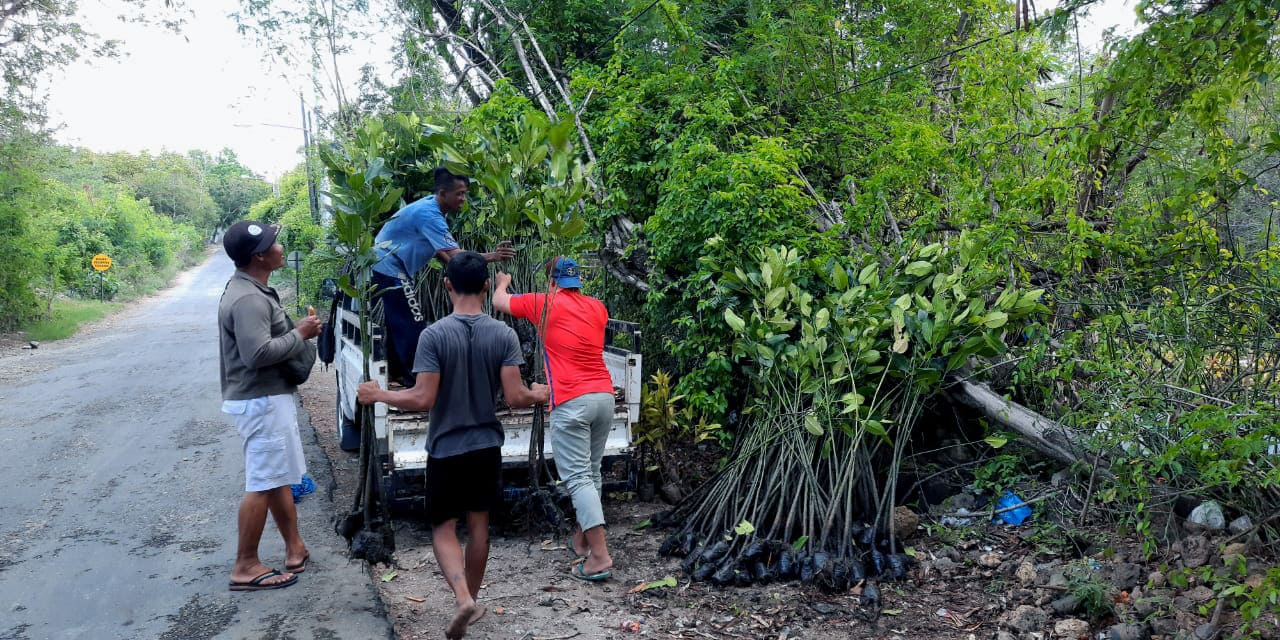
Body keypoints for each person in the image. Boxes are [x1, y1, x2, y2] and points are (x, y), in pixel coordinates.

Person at [357, 252, 549, 639]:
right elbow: (515, 396)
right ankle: (472, 601)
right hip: (486, 446)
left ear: (447, 285)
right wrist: (538, 394)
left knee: (444, 526)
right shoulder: (504, 335)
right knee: (479, 527)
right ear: (486, 287)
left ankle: (462, 598)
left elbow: (423, 398)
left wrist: (379, 395)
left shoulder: (433, 335)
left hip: (446, 448)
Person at [492, 257, 617, 581]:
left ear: (551, 282)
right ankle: (582, 541)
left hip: (572, 401)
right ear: (577, 282)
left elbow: (499, 302)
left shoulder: (544, 303)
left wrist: (503, 283)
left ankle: (599, 557)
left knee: (578, 478)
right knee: (591, 472)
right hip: (604, 397)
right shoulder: (597, 308)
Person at [217, 220, 322, 592]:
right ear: (259, 256)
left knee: (277, 477)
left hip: (267, 398)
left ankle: (295, 548)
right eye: (273, 243)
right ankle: (245, 564)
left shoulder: (252, 288)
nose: (280, 247)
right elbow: (256, 354)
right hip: (260, 401)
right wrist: (300, 334)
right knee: (262, 482)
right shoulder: (248, 299)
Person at [372, 167, 514, 387]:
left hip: (388, 263)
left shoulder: (433, 208)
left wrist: (456, 275)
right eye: (459, 194)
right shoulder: (429, 214)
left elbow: (442, 251)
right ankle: (417, 381)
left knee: (398, 321)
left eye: (465, 193)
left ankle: (398, 374)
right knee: (412, 323)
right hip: (391, 266)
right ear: (442, 193)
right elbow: (456, 255)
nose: (463, 199)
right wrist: (493, 257)